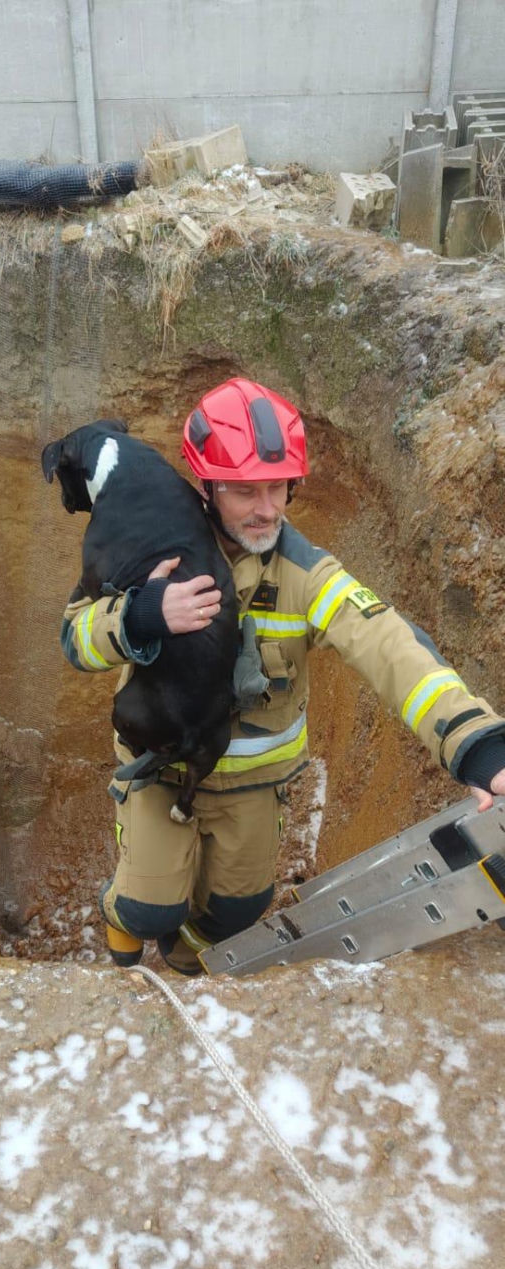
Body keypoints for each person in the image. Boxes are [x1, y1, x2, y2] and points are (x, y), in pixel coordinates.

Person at [61, 377, 505, 974]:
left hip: (253, 787)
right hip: (162, 770)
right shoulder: (146, 544)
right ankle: (126, 930)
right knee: (148, 908)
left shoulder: (305, 575)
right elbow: (75, 638)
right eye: (245, 491)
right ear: (207, 485)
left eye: (278, 488)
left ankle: (189, 972)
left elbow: (389, 645)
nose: (266, 508)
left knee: (236, 915)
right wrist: (140, 615)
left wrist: (478, 745)